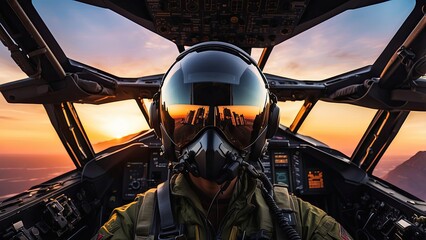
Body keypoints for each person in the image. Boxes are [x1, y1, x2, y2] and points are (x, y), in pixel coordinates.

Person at [95, 42, 353, 240]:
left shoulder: (298, 221)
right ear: (161, 124)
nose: (211, 138)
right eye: (192, 121)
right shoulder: (133, 223)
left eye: (231, 123)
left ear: (267, 126)